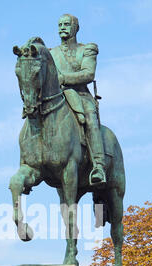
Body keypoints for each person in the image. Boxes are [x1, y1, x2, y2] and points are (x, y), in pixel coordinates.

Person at [50, 14, 106, 187]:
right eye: (60, 25)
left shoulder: (87, 49)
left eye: (66, 24)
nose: (62, 27)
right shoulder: (52, 53)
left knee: (91, 120)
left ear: (76, 28)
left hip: (81, 96)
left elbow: (88, 74)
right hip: (58, 97)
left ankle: (98, 166)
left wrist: (63, 78)